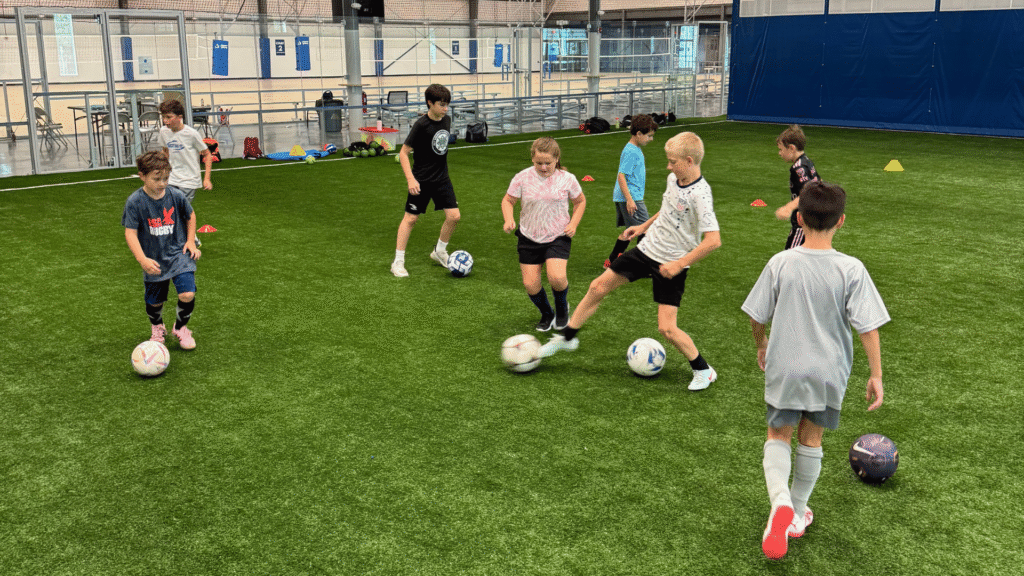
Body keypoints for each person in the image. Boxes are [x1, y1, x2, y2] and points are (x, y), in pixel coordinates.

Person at [741, 181, 890, 560]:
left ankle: (780, 505)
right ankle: (796, 511)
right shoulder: (851, 269)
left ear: (799, 218)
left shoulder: (781, 262)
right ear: (842, 221)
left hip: (785, 366)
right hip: (828, 371)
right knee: (811, 439)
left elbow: (757, 315)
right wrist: (876, 374)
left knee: (778, 435)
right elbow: (867, 327)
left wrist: (761, 344)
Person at [539, 132, 722, 391]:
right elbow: (667, 209)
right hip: (647, 250)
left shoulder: (701, 194)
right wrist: (641, 227)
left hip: (670, 264)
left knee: (667, 329)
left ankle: (704, 370)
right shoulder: (674, 179)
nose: (668, 166)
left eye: (672, 161)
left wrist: (679, 264)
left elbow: (713, 241)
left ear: (689, 161)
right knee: (597, 287)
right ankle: (568, 336)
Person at [501, 137, 586, 331]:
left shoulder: (567, 179)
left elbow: (580, 201)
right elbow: (508, 200)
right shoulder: (522, 177)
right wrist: (508, 219)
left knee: (556, 277)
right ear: (532, 159)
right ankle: (547, 314)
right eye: (539, 163)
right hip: (528, 236)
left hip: (558, 235)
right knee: (531, 284)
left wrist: (573, 224)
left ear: (557, 159)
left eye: (548, 163)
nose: (544, 167)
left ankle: (562, 309)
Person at [122, 151, 202, 350]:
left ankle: (181, 328)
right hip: (154, 258)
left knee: (187, 293)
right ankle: (157, 327)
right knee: (154, 302)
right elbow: (130, 233)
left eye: (166, 178)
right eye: (157, 179)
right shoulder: (135, 202)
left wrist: (190, 241)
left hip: (178, 255)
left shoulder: (176, 195)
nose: (162, 183)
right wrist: (143, 260)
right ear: (142, 176)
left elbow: (190, 216)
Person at [391, 84, 460, 277]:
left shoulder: (447, 120)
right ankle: (398, 262)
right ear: (430, 103)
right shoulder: (421, 125)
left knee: (454, 216)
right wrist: (410, 179)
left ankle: (439, 251)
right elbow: (403, 153)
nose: (446, 108)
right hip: (421, 180)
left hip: (442, 179)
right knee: (411, 219)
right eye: (442, 104)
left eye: (447, 105)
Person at [605, 114, 658, 268]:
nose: (651, 139)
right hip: (631, 197)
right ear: (639, 134)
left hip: (628, 196)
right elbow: (621, 176)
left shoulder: (633, 149)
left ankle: (612, 260)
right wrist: (629, 199)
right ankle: (645, 264)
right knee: (644, 229)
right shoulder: (631, 152)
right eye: (649, 136)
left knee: (630, 231)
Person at [158, 99, 213, 247]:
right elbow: (165, 151)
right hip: (171, 179)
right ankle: (190, 238)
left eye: (169, 117)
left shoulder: (191, 134)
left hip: (189, 180)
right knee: (169, 210)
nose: (165, 121)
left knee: (179, 211)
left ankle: (189, 240)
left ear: (179, 116)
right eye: (163, 117)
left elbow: (207, 155)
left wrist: (206, 179)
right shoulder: (164, 132)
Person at [774, 124, 820, 250]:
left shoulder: (799, 168)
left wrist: (788, 208)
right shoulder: (807, 162)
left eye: (781, 149)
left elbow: (808, 192)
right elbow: (819, 183)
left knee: (790, 256)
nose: (779, 153)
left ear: (791, 148)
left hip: (803, 223)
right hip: (812, 220)